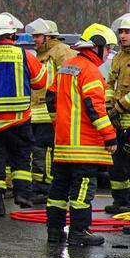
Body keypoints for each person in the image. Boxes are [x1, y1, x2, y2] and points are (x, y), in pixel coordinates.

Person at [45, 23, 118, 246]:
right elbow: (94, 109)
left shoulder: (66, 66)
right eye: (107, 49)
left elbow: (50, 100)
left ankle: (55, 232)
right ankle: (79, 232)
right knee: (82, 191)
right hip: (85, 148)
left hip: (64, 145)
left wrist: (61, 127)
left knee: (58, 190)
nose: (108, 54)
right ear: (96, 47)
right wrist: (109, 136)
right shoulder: (91, 72)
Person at [0, 13, 47, 214]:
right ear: (11, 35)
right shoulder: (24, 55)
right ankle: (23, 194)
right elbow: (40, 82)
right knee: (22, 157)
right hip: (19, 120)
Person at [25, 18, 75, 205]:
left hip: (50, 111)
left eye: (37, 36)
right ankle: (39, 185)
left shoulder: (61, 51)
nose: (35, 39)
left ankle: (45, 187)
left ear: (48, 36)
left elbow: (67, 81)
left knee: (44, 150)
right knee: (38, 149)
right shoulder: (42, 54)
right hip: (37, 111)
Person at [105, 13, 130, 215]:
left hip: (126, 118)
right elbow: (109, 85)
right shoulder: (119, 57)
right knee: (116, 164)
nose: (123, 36)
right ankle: (119, 200)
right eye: (121, 32)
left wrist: (118, 107)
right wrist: (107, 107)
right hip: (117, 121)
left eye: (127, 32)